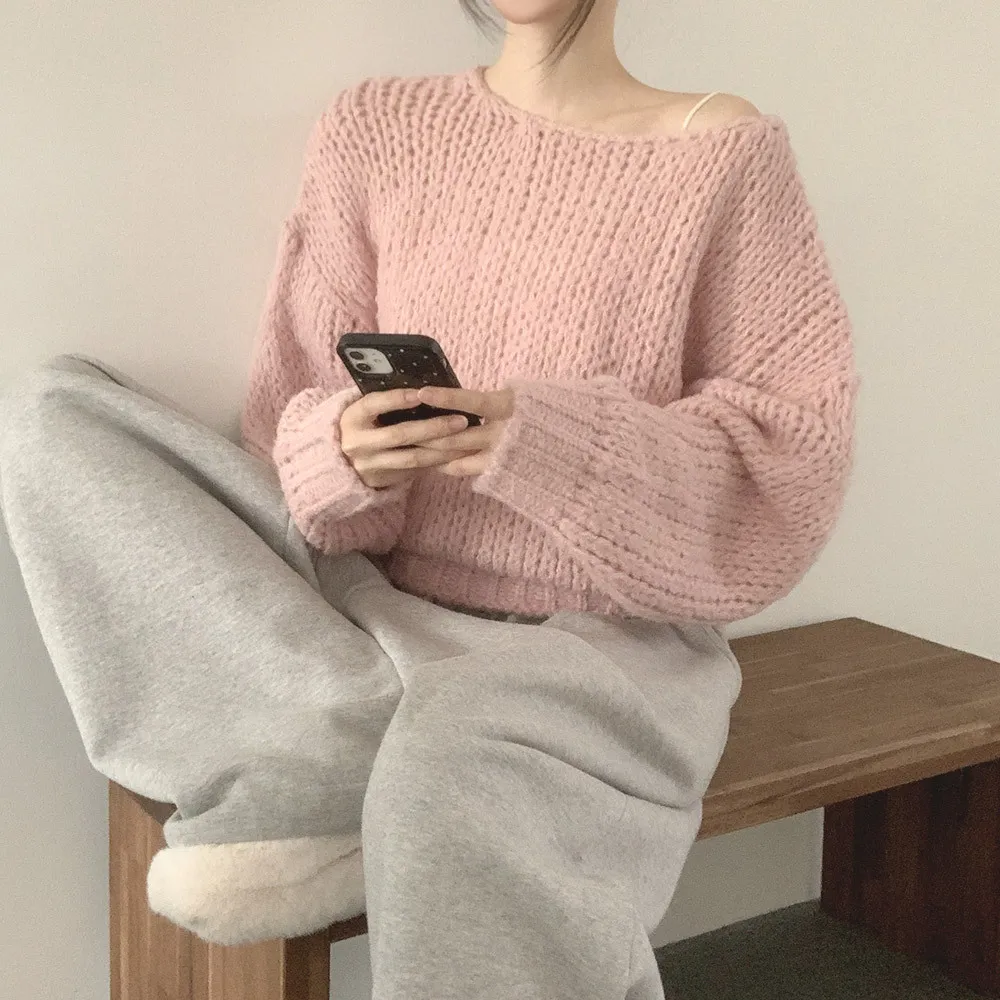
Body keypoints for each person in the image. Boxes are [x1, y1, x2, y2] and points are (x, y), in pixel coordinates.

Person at [0, 0, 859, 997]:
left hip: (593, 650)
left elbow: (785, 467)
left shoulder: (721, 151)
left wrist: (545, 442)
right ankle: (376, 740)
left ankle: (355, 761)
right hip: (374, 616)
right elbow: (282, 432)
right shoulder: (378, 127)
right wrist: (344, 451)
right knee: (58, 419)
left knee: (461, 751)